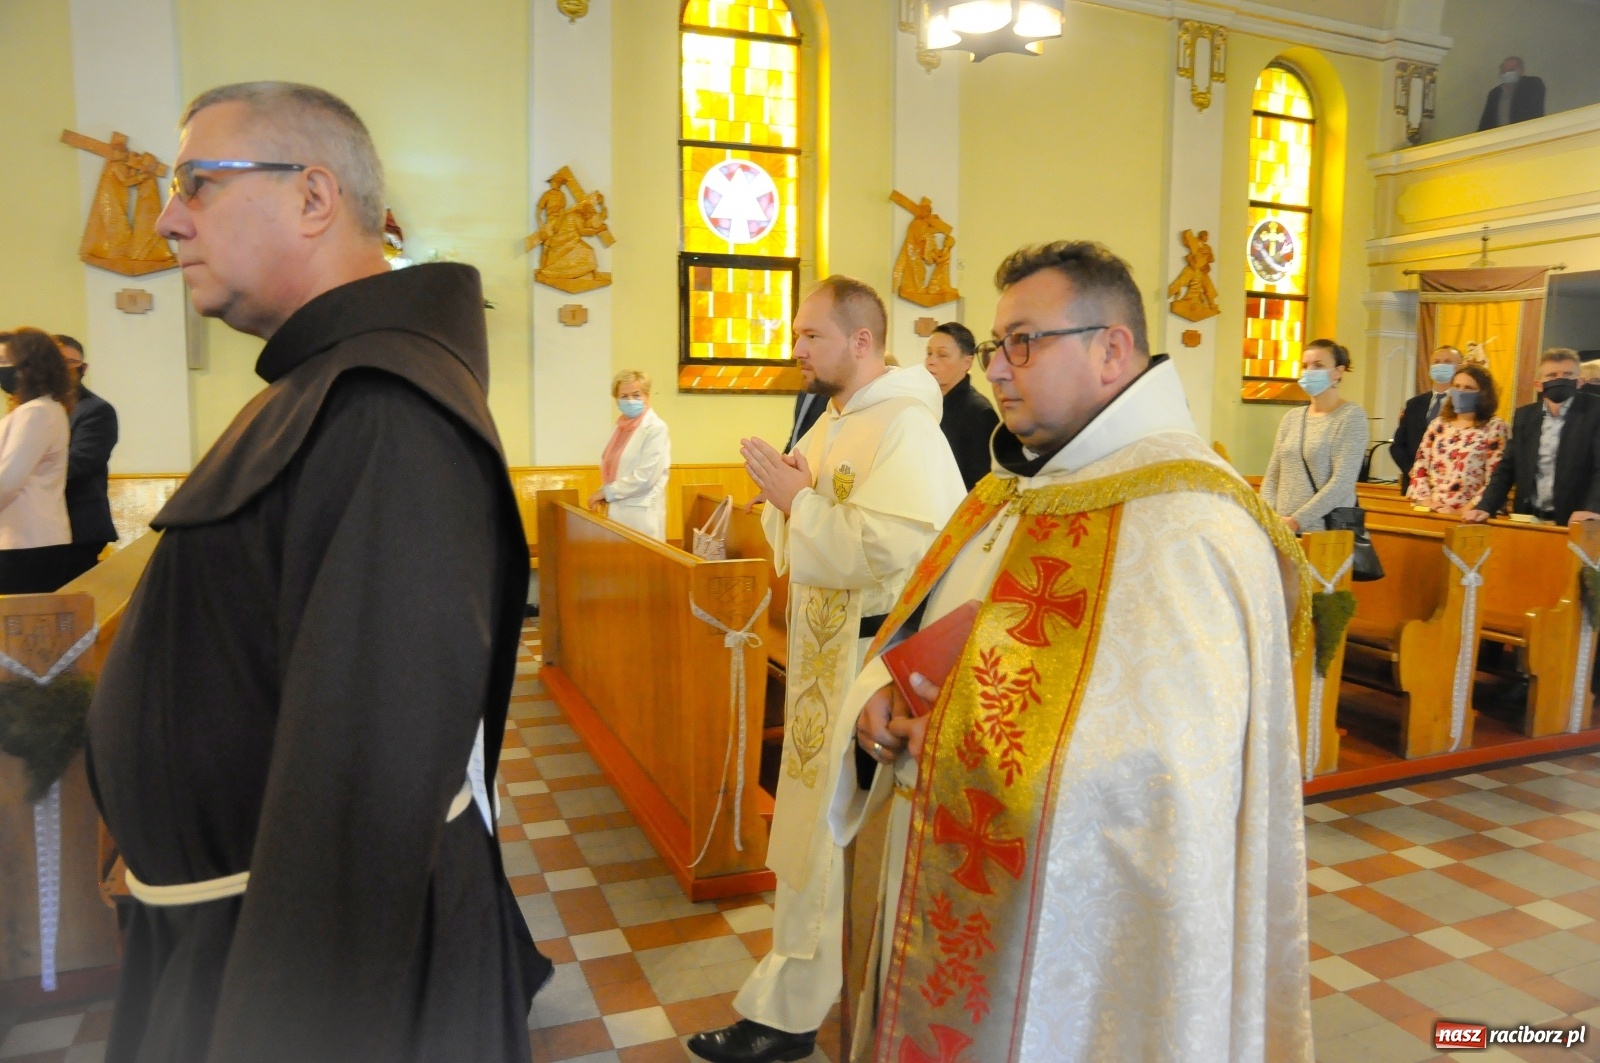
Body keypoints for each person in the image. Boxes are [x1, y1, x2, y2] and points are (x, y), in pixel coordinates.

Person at [86, 82, 547, 1063]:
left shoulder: (384, 412)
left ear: (312, 197)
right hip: (220, 928)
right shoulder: (327, 386)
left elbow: (360, 800)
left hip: (293, 965)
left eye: (197, 184)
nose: (167, 219)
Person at [830, 241, 1313, 1061]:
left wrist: (950, 746)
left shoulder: (1194, 521)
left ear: (1112, 349)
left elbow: (1166, 773)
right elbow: (924, 623)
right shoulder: (1013, 486)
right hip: (952, 869)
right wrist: (880, 684)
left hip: (1070, 951)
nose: (998, 370)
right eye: (994, 347)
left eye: (1024, 342)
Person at [687, 277, 966, 1063]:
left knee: (830, 839)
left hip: (865, 666)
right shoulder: (832, 419)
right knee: (811, 836)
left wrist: (799, 503)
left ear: (861, 341)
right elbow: (806, 521)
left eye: (812, 335)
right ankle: (794, 1003)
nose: (798, 348)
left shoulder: (907, 428)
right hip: (821, 656)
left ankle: (793, 1014)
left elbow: (905, 552)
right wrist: (781, 500)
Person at [1466, 348, 1600, 525]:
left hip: (1576, 520)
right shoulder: (1525, 416)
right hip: (1528, 518)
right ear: (1538, 384)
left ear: (1580, 381)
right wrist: (1485, 506)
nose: (1560, 379)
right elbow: (1507, 468)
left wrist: (1592, 510)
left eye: (1568, 374)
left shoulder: (1595, 411)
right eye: (1552, 375)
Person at [1259, 339, 1369, 532]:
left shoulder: (1350, 416)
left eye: (1318, 365)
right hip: (1282, 529)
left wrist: (1296, 521)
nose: (1309, 371)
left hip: (1324, 531)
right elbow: (1272, 475)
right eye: (1305, 366)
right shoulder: (1292, 418)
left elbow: (1342, 482)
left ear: (1338, 372)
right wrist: (1269, 516)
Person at [0, 329, 76, 594]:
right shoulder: (41, 410)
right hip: (27, 538)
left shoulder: (36, 413)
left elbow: (8, 480)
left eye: (3, 362)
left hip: (26, 541)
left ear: (28, 367)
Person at [53, 335, 120, 579]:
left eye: (71, 362)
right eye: (56, 361)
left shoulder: (96, 410)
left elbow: (80, 462)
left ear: (83, 368)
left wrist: (25, 476)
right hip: (41, 526)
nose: (63, 368)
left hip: (77, 526)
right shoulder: (34, 407)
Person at [1405, 363, 1509, 515]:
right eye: (1457, 386)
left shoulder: (1494, 427)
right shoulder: (1439, 424)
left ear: (1483, 393)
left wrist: (1462, 511)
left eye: (1468, 388)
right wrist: (1428, 503)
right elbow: (1420, 467)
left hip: (1470, 514)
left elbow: (1495, 479)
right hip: (1432, 509)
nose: (1461, 392)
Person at [587, 369, 670, 540]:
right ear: (616, 400)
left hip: (641, 515)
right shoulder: (620, 428)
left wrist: (607, 493)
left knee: (642, 565)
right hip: (619, 512)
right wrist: (605, 493)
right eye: (624, 396)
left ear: (646, 396)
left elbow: (645, 477)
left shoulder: (656, 428)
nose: (630, 400)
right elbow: (615, 471)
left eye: (636, 394)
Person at [923, 321, 999, 491]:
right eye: (929, 353)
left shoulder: (979, 411)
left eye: (942, 355)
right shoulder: (926, 404)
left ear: (967, 362)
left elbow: (981, 484)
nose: (931, 361)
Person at [1390, 344, 1463, 491]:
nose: (1441, 365)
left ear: (1460, 368)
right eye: (1436, 362)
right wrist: (1413, 471)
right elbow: (1398, 445)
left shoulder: (1464, 404)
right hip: (1414, 483)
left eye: (1448, 362)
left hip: (1451, 485)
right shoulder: (1414, 404)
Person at [1479, 56, 1545, 131]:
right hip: (1500, 137)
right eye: (1504, 71)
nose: (1507, 73)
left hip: (1527, 132)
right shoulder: (1495, 94)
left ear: (1521, 71)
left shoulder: (1533, 85)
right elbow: (1486, 121)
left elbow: (1531, 112)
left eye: (1511, 70)